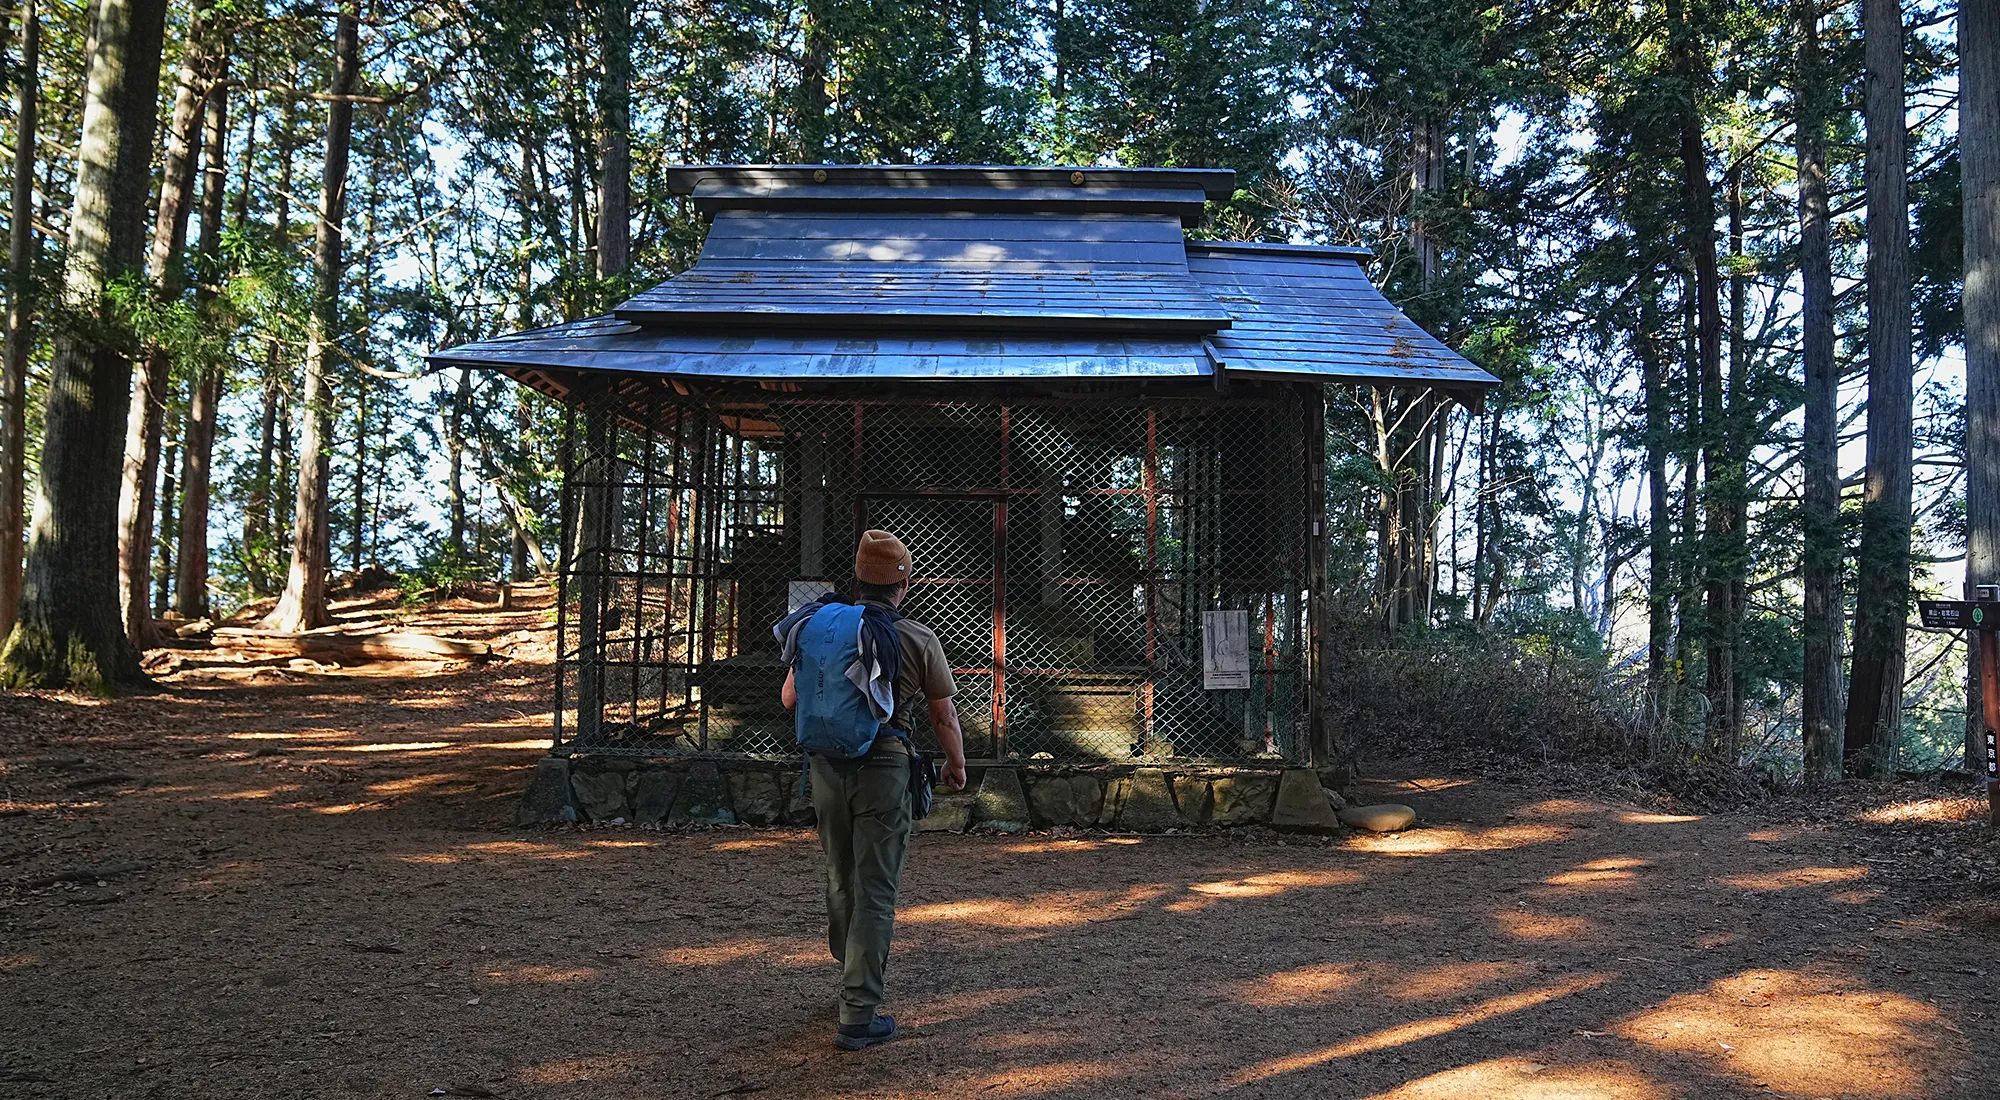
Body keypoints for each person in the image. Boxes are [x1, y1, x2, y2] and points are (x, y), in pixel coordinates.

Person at [779, 529, 968, 1050]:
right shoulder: (915, 637)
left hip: (824, 767)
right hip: (884, 767)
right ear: (902, 584)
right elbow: (942, 712)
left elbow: (790, 699)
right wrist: (956, 764)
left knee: (841, 874)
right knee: (877, 889)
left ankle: (850, 974)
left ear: (857, 579)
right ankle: (858, 1012)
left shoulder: (819, 626)